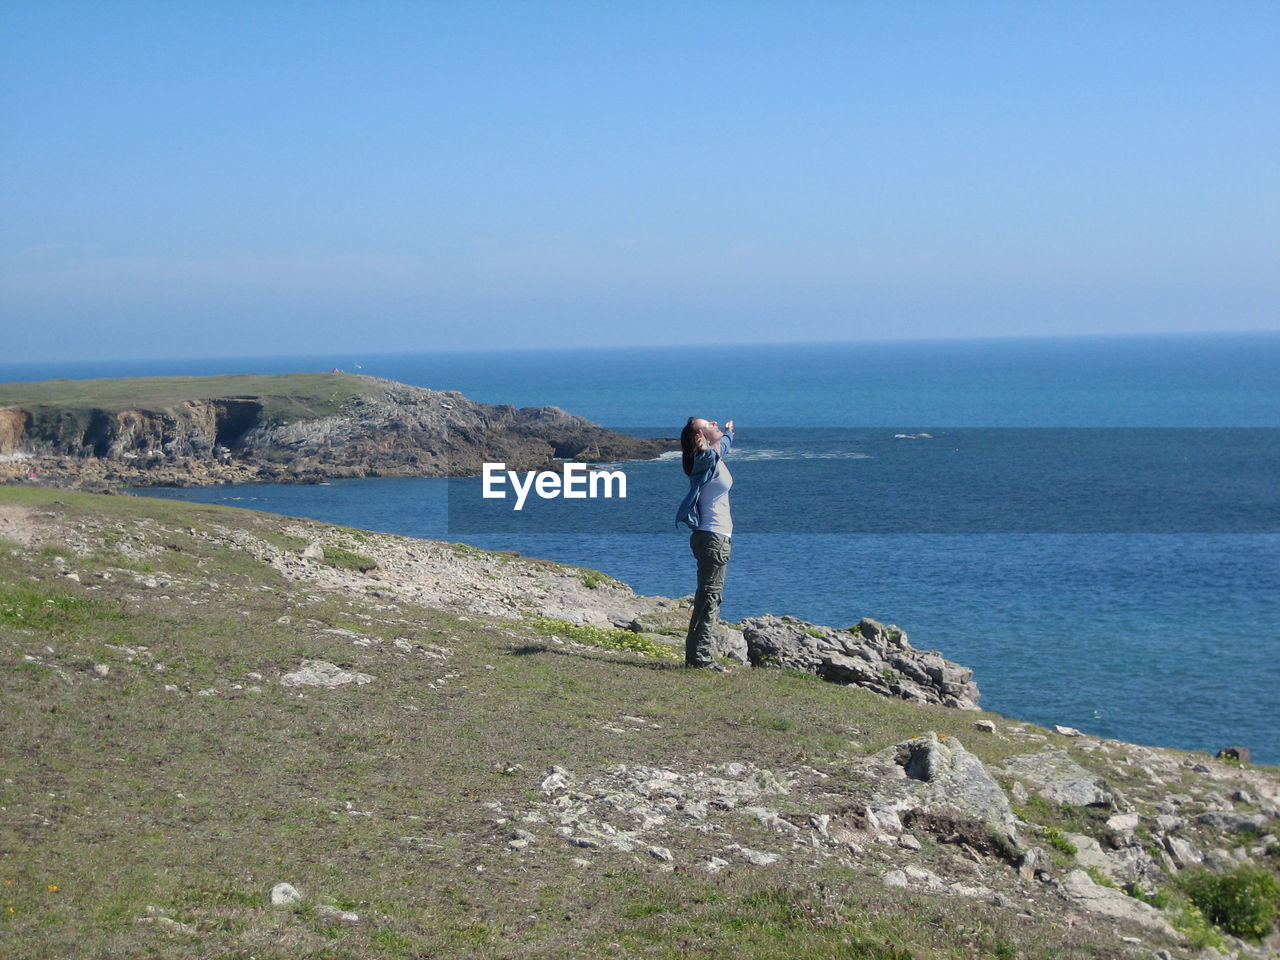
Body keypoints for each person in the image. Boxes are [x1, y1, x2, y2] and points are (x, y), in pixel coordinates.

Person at [675, 416, 735, 671]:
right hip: (712, 538)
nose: (714, 422)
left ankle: (697, 657)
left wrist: (730, 433)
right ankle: (699, 660)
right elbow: (705, 458)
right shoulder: (705, 461)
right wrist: (701, 450)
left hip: (715, 538)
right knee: (709, 599)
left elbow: (724, 447)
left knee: (709, 597)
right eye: (708, 424)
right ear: (699, 437)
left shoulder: (715, 453)